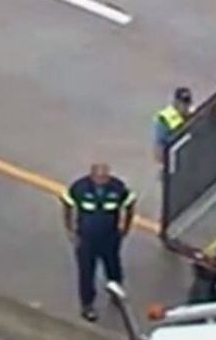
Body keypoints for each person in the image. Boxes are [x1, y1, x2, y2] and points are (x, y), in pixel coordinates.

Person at [60, 163, 136, 322]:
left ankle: (116, 294)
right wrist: (69, 229)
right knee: (86, 272)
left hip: (110, 237)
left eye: (105, 177)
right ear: (92, 176)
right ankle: (87, 305)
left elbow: (129, 205)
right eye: (99, 177)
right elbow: (67, 205)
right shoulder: (80, 188)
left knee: (113, 267)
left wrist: (125, 227)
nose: (102, 180)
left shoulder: (117, 187)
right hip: (86, 239)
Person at [153, 86, 193, 166]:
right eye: (183, 103)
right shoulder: (165, 118)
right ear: (176, 102)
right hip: (172, 163)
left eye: (187, 103)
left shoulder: (191, 117)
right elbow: (159, 146)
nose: (185, 106)